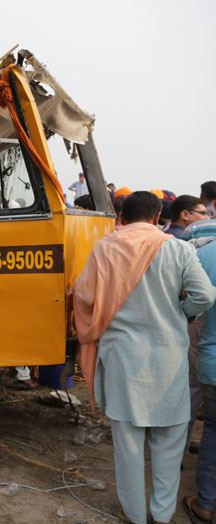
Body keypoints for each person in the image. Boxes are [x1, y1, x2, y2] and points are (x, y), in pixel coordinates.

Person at [73, 191, 216, 524]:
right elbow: (205, 295)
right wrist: (183, 314)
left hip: (122, 358)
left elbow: (84, 294)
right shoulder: (178, 248)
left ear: (121, 217)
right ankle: (162, 515)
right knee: (168, 443)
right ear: (157, 218)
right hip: (168, 359)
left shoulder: (105, 247)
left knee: (128, 445)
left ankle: (134, 515)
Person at [184, 225, 216, 523]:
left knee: (215, 431)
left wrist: (187, 313)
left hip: (213, 360)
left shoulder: (204, 253)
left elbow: (196, 301)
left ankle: (206, 503)